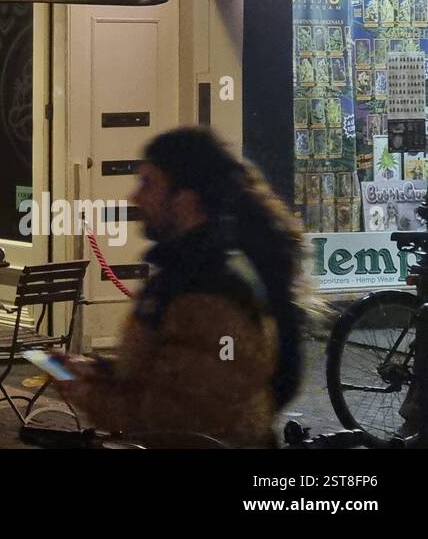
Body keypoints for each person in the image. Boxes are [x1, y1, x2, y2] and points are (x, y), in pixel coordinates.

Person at [59, 127, 307, 448]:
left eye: (149, 183)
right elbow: (171, 370)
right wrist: (97, 371)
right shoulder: (182, 273)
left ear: (185, 201)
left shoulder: (212, 296)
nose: (134, 196)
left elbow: (182, 418)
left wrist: (87, 393)